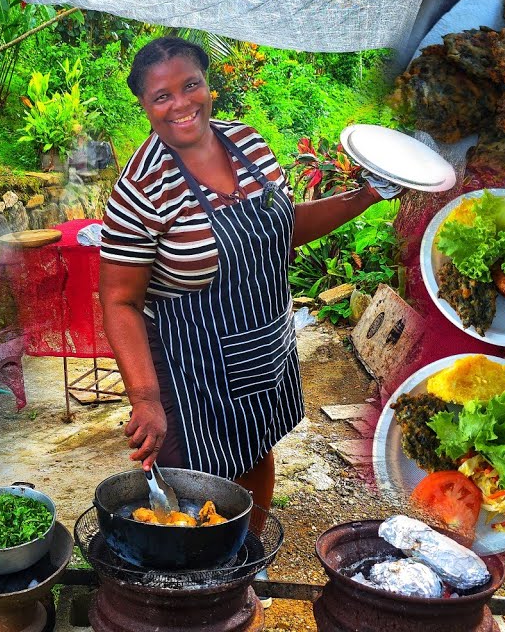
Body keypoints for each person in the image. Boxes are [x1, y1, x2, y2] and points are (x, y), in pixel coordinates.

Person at [99, 37, 403, 534]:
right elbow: (119, 301)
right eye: (162, 96)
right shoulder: (142, 188)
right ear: (144, 104)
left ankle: (249, 552)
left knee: (254, 447)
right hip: (189, 361)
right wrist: (146, 399)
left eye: (190, 85)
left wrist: (365, 195)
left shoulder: (249, 144)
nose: (181, 104)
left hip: (262, 343)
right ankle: (202, 573)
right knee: (193, 482)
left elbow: (282, 229)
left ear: (208, 85)